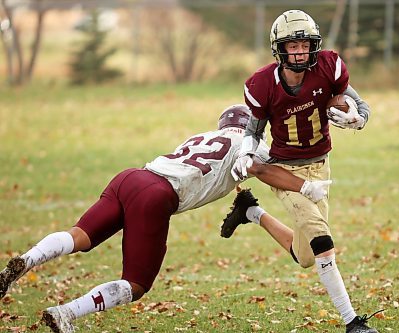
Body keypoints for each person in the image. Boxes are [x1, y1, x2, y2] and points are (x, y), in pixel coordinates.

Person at [0, 104, 331, 333]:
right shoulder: (248, 144)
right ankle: (67, 313)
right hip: (156, 196)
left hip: (131, 177)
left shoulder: (201, 137)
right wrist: (304, 184)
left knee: (79, 237)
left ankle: (25, 260)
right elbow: (262, 168)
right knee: (137, 284)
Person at [228, 9, 378, 333]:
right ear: (279, 49)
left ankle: (251, 213)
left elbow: (360, 105)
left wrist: (357, 118)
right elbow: (253, 132)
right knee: (322, 239)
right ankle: (352, 322)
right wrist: (245, 153)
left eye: (304, 45)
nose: (299, 52)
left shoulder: (328, 67)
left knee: (307, 256)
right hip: (286, 171)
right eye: (292, 46)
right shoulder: (262, 84)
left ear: (314, 45)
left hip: (322, 166)